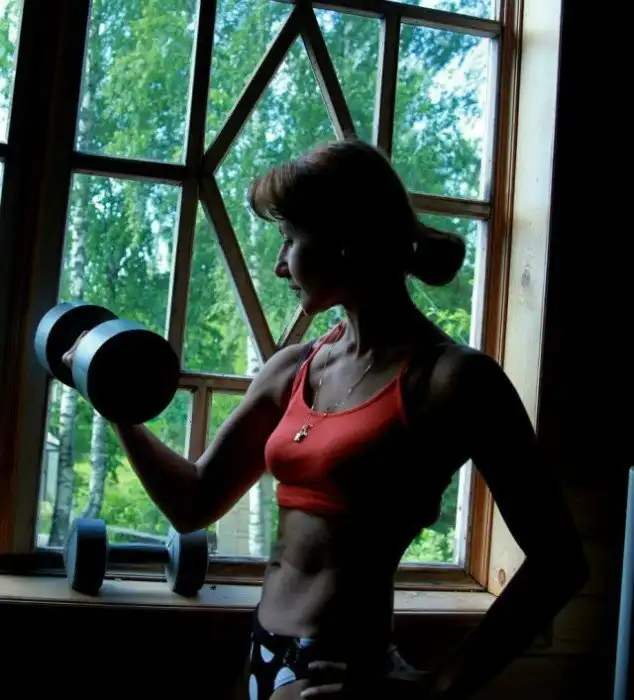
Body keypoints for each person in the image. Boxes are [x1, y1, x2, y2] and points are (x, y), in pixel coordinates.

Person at [64, 138, 588, 699]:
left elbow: (560, 562)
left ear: (346, 241)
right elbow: (193, 501)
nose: (278, 264)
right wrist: (115, 403)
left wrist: (438, 688)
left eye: (290, 239)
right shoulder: (293, 368)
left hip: (341, 671)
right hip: (262, 651)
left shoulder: (453, 381)